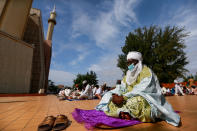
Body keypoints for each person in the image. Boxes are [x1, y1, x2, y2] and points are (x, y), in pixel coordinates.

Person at [96, 51, 180, 126]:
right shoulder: (128, 75)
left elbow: (143, 89)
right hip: (127, 97)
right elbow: (122, 87)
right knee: (109, 96)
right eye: (127, 63)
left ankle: (124, 112)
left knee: (136, 102)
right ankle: (124, 112)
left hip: (147, 99)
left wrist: (124, 97)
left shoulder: (146, 72)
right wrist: (115, 94)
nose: (129, 65)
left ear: (138, 62)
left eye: (131, 62)